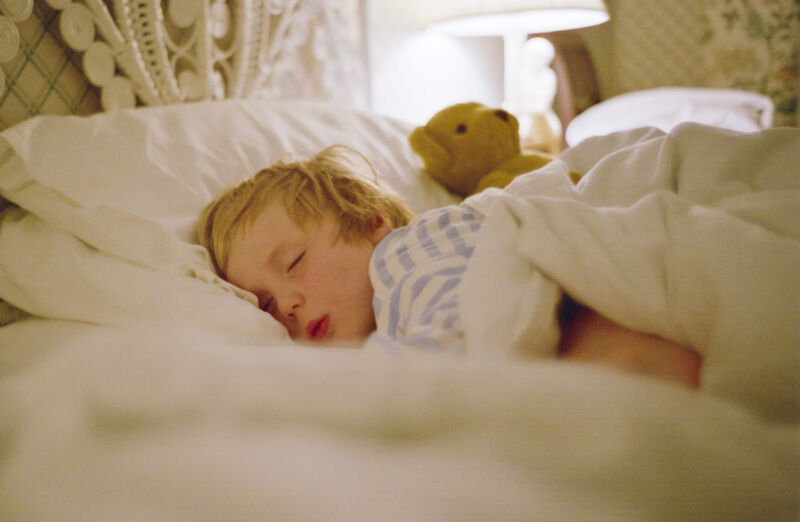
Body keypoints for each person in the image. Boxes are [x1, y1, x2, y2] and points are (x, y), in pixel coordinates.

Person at [198, 146, 701, 388]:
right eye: (264, 303)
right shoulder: (385, 309)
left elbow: (458, 322)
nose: (285, 305)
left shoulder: (406, 250)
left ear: (371, 224)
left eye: (294, 261)